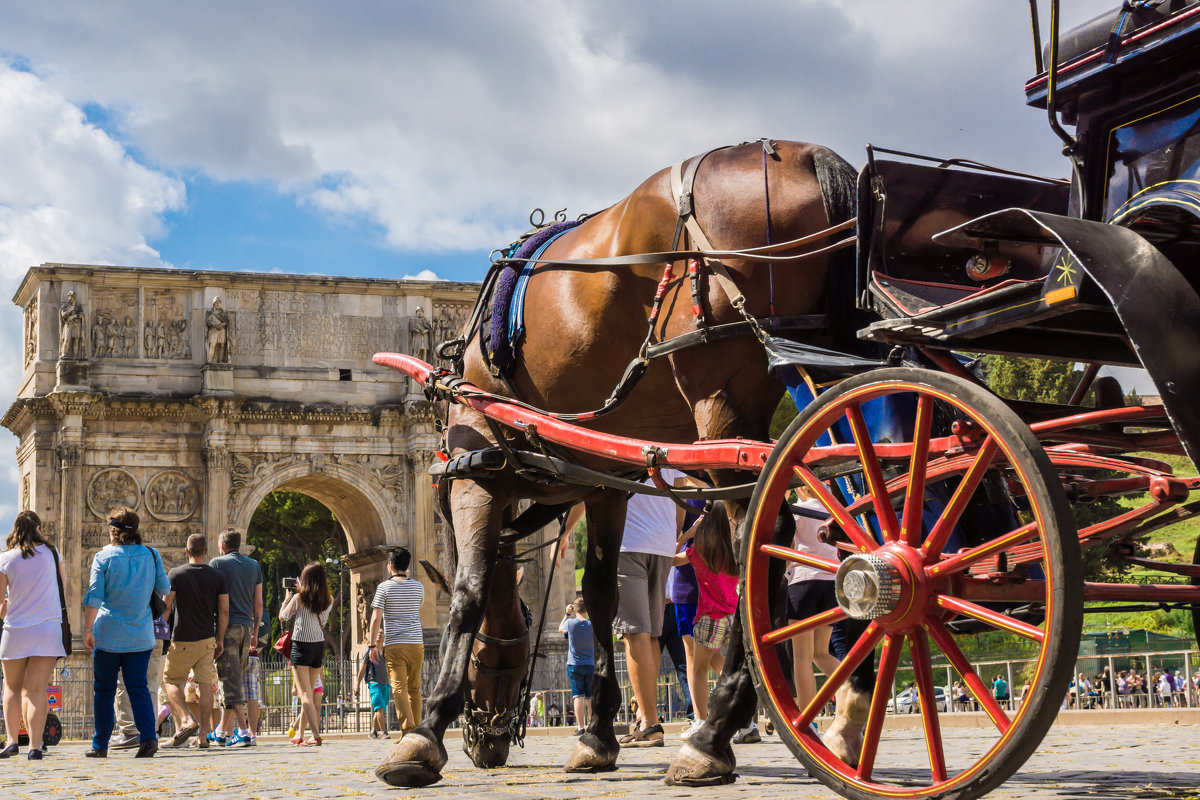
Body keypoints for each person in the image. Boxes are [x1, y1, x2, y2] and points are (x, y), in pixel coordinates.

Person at [82, 507, 171, 758]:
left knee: (104, 690)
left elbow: (94, 596)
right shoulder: (152, 555)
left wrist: (88, 630)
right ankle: (149, 738)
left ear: (112, 530)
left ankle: (100, 744)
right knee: (139, 687)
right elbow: (165, 587)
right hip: (140, 635)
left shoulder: (103, 557)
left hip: (108, 634)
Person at [614, 469, 690, 747]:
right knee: (650, 635)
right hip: (661, 544)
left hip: (630, 542)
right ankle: (646, 717)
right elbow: (680, 490)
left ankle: (648, 722)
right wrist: (673, 533)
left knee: (634, 634)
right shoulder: (666, 433)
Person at [0, 511, 67, 760]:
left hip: (16, 629)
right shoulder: (52, 553)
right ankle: (35, 747)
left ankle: (11, 741)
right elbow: (63, 585)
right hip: (48, 629)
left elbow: (0, 604)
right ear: (38, 528)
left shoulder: (6, 559)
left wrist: (10, 604)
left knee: (12, 688)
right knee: (38, 690)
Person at [673, 504, 738, 742]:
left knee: (698, 670)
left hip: (710, 617)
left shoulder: (699, 551)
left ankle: (700, 721)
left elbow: (669, 559)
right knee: (730, 668)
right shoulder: (733, 551)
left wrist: (687, 535)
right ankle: (741, 720)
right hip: (733, 617)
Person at [162, 533, 228, 749]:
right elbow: (224, 610)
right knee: (206, 686)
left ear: (187, 551)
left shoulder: (175, 574)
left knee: (170, 681)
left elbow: (167, 605)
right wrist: (220, 639)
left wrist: (161, 631)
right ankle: (203, 737)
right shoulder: (217, 576)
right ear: (206, 552)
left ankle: (187, 719)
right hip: (207, 638)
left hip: (182, 637)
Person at [785, 491, 841, 735]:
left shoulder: (796, 510)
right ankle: (851, 699)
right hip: (831, 581)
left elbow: (787, 547)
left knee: (802, 657)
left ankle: (809, 720)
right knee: (821, 652)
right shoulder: (833, 508)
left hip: (803, 581)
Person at [208, 528, 263, 747]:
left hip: (226, 626)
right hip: (247, 627)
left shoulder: (217, 564)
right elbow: (258, 604)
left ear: (222, 544)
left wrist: (217, 636)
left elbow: (215, 603)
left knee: (229, 680)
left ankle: (243, 731)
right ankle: (222, 730)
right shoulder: (254, 565)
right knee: (234, 678)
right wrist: (256, 632)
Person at [368, 547, 425, 733]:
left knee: (399, 689)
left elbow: (376, 618)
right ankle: (417, 730)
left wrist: (371, 645)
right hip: (416, 642)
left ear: (390, 565)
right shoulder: (418, 587)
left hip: (394, 643)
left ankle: (408, 731)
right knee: (415, 688)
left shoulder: (384, 587)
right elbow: (418, 607)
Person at [280, 562, 333, 746]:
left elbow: (284, 616)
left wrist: (287, 597)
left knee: (304, 694)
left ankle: (316, 735)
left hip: (301, 646)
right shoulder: (329, 599)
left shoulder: (298, 598)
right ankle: (302, 735)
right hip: (318, 646)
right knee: (308, 694)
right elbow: (323, 622)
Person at [111, 595, 171, 749]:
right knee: (150, 685)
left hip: (132, 630)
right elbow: (166, 593)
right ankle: (150, 730)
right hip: (156, 632)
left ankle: (129, 731)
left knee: (124, 681)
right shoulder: (155, 571)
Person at [558, 597, 594, 735]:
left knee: (578, 696)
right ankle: (592, 725)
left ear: (575, 609)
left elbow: (560, 629)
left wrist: (567, 614)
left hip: (574, 664)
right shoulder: (592, 624)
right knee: (590, 698)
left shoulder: (571, 623)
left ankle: (580, 727)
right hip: (590, 663)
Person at [356, 645, 390, 739]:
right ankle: (384, 732)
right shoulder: (368, 652)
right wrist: (357, 685)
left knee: (380, 709)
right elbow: (362, 669)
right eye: (377, 632)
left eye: (381, 633)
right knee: (379, 708)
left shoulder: (386, 650)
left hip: (386, 683)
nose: (379, 635)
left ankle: (373, 731)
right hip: (374, 683)